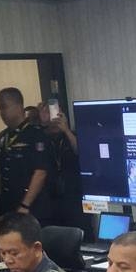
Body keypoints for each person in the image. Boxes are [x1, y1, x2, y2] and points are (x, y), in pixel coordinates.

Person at [0, 87, 55, 223]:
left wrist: (25, 205)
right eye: (0, 108)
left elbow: (40, 172)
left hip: (32, 208)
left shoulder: (35, 134)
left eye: (4, 107)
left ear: (19, 106)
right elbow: (0, 175)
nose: (2, 113)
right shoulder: (2, 137)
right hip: (8, 206)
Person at [38, 101, 89, 237]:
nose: (54, 117)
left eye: (56, 112)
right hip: (50, 202)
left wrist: (66, 130)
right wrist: (42, 125)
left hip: (74, 200)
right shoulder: (41, 138)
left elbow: (82, 153)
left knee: (81, 238)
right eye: (48, 113)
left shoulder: (72, 135)